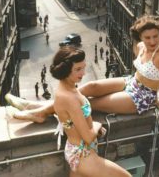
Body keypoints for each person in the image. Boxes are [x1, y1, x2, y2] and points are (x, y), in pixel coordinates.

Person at [5, 15, 159, 124]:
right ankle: (35, 106)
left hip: (141, 98)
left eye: (156, 36)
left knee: (89, 104)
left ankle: (39, 112)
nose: (152, 41)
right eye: (147, 37)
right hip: (131, 82)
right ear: (140, 36)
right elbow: (140, 63)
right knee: (88, 87)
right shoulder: (140, 46)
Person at [51, 46, 131, 176]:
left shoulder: (69, 88)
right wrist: (96, 125)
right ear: (65, 70)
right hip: (83, 155)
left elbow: (76, 122)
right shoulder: (68, 97)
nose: (83, 73)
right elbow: (88, 137)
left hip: (80, 152)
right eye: (78, 69)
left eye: (83, 67)